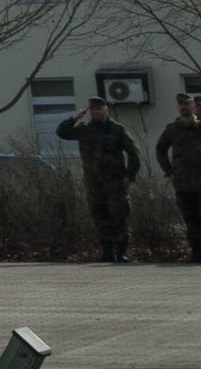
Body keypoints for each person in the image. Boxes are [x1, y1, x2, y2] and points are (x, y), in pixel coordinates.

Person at [55, 99, 140, 264]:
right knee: (99, 216)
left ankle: (121, 253)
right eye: (93, 109)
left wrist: (129, 176)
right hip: (94, 182)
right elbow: (62, 132)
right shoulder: (84, 129)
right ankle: (107, 252)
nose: (96, 112)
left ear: (106, 109)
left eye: (99, 109)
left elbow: (133, 153)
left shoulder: (117, 129)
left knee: (119, 216)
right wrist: (75, 117)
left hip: (115, 181)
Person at [155, 96, 201, 262]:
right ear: (178, 107)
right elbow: (160, 149)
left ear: (193, 106)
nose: (184, 107)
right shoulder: (172, 129)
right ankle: (197, 253)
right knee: (191, 220)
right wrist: (169, 171)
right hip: (183, 182)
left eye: (187, 104)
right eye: (181, 104)